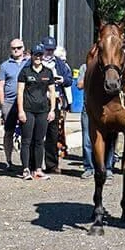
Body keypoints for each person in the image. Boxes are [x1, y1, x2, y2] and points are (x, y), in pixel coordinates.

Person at [17, 43, 57, 181]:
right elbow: (20, 92)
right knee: (26, 141)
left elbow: (52, 92)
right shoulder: (25, 72)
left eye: (40, 55)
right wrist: (20, 111)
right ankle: (26, 169)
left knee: (40, 141)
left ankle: (38, 169)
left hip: (43, 111)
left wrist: (52, 110)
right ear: (32, 56)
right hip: (28, 110)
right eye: (36, 55)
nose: (38, 57)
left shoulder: (48, 72)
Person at [40, 36, 73, 174]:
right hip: (39, 100)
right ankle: (34, 165)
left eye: (51, 50)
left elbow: (69, 79)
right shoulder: (35, 61)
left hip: (56, 101)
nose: (49, 52)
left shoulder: (59, 63)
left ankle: (52, 165)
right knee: (37, 134)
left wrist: (62, 80)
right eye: (47, 49)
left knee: (53, 135)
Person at [0, 38, 28, 172]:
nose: (16, 50)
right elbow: (0, 86)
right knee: (8, 132)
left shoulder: (29, 63)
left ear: (23, 48)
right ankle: (9, 160)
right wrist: (2, 105)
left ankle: (26, 163)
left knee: (27, 133)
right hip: (9, 102)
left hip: (26, 102)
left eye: (19, 47)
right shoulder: (4, 66)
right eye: (14, 48)